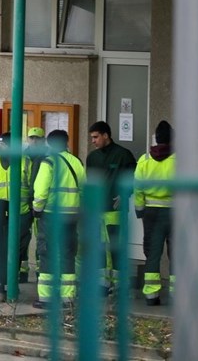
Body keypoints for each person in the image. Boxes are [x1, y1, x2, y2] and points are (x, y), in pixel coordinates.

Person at [32, 130, 86, 309]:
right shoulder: (76, 162)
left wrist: (37, 209)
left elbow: (40, 190)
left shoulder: (49, 162)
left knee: (47, 253)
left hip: (51, 216)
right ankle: (68, 298)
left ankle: (46, 298)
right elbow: (84, 189)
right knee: (68, 254)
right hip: (71, 216)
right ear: (67, 142)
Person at [85, 121, 136, 294]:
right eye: (92, 137)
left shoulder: (123, 155)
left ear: (106, 135)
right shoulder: (92, 158)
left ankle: (120, 284)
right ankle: (102, 284)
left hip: (115, 210)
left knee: (116, 247)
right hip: (96, 210)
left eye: (96, 137)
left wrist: (125, 194)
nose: (93, 141)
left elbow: (133, 178)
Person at [0, 132, 33, 283]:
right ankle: (1, 277)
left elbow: (33, 188)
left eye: (2, 145)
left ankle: (13, 276)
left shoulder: (26, 162)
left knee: (19, 247)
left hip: (21, 213)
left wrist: (31, 210)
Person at [134, 121, 175, 306]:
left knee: (152, 253)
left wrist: (139, 209)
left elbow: (138, 188)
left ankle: (151, 295)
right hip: (175, 212)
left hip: (151, 212)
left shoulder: (145, 160)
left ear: (156, 139)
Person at [26, 127, 48, 278]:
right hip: (25, 203)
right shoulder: (23, 155)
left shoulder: (46, 156)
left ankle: (41, 267)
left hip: (39, 203)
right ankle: (23, 268)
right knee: (25, 237)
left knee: (41, 236)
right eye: (31, 138)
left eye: (37, 138)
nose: (34, 141)